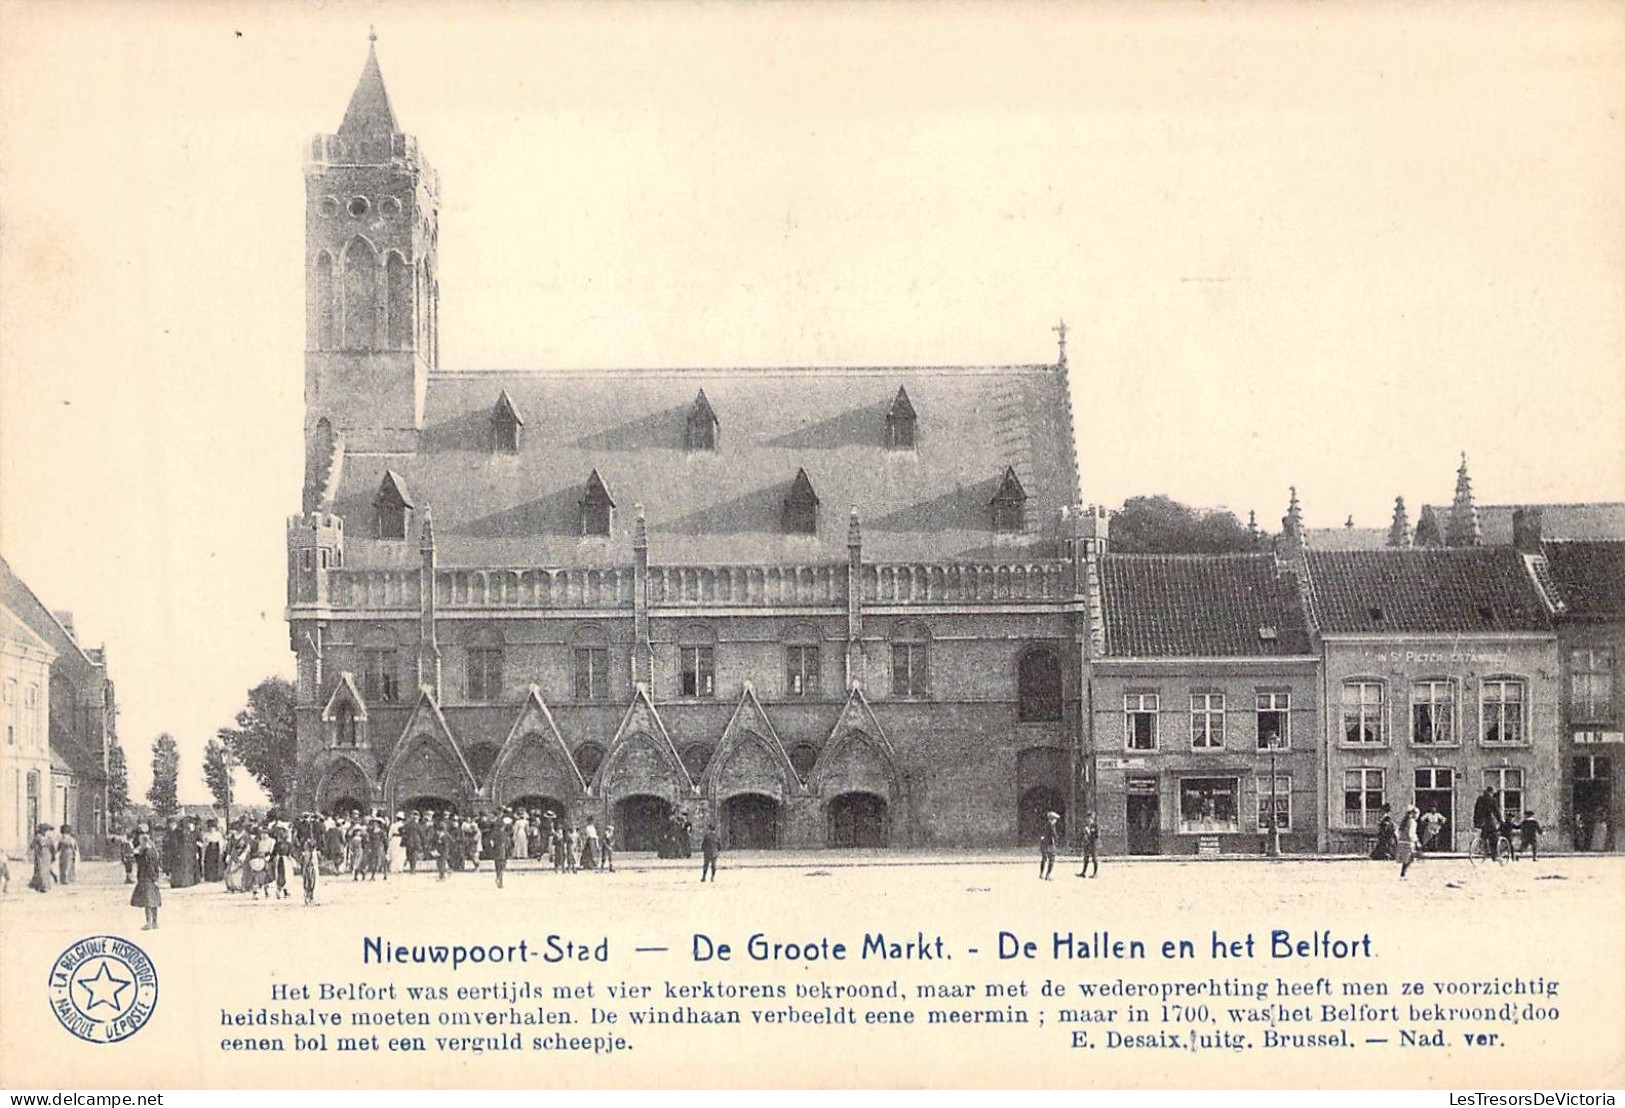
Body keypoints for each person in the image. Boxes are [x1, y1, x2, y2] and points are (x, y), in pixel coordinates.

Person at [130, 828, 162, 930]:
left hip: (145, 877)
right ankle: (155, 922)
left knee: (147, 900)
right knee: (154, 899)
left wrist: (137, 851)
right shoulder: (153, 851)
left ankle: (148, 922)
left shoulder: (145, 853)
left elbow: (141, 861)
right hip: (153, 877)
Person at [1473, 786, 1501, 861]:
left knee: (1484, 836)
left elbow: (1476, 810)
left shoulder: (1479, 799)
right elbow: (1496, 812)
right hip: (1488, 820)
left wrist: (1476, 822)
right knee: (1494, 837)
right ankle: (1495, 856)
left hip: (1480, 821)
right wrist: (1500, 820)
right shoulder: (1492, 800)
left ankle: (1483, 850)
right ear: (1491, 792)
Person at [1398, 803, 1421, 878]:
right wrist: (1416, 841)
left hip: (1402, 841)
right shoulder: (1412, 822)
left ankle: (1403, 874)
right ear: (1413, 814)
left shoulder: (1405, 821)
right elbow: (1411, 833)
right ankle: (1403, 874)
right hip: (1408, 842)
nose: (1418, 815)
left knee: (1406, 859)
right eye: (1417, 813)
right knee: (1409, 859)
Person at [27, 823, 52, 893]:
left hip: (47, 855)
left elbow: (52, 847)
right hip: (40, 855)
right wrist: (34, 851)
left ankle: (45, 885)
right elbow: (32, 846)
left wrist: (53, 855)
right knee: (40, 870)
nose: (45, 832)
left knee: (46, 871)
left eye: (46, 830)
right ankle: (41, 886)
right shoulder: (37, 837)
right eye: (44, 830)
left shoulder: (49, 838)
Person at [1075, 814, 1100, 878]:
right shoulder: (1086, 826)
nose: (1088, 820)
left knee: (1094, 858)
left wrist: (1089, 833)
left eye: (1090, 819)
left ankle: (1095, 873)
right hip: (1087, 844)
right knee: (1086, 858)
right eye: (1087, 819)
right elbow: (1082, 834)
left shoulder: (1096, 826)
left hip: (1093, 844)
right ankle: (1083, 872)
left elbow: (1097, 835)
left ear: (1092, 819)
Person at [1039, 811, 1060, 880]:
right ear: (1051, 819)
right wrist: (1057, 838)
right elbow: (1054, 835)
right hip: (1050, 845)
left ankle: (1041, 874)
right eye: (1054, 819)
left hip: (1043, 844)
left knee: (1044, 859)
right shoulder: (1052, 826)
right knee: (1052, 859)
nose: (1055, 821)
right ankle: (1048, 875)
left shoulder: (1044, 825)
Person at [492, 816, 511, 889]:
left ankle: (498, 877)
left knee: (497, 867)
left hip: (496, 852)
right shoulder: (505, 834)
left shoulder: (494, 834)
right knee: (502, 867)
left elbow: (492, 843)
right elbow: (508, 844)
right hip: (503, 852)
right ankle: (500, 880)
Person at [300, 839, 319, 905]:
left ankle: (308, 897)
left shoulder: (307, 853)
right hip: (313, 869)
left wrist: (303, 871)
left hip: (309, 869)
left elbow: (305, 863)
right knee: (312, 884)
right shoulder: (314, 853)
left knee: (308, 883)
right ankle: (310, 897)